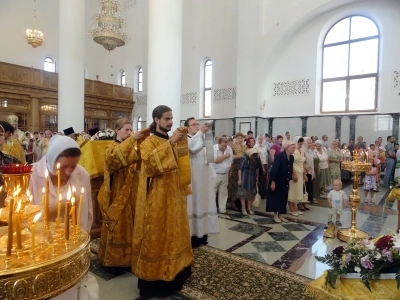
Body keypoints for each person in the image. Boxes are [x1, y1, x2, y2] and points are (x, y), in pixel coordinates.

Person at [131, 105, 193, 299]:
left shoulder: (174, 140)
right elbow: (150, 165)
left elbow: (181, 164)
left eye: (172, 118)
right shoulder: (148, 142)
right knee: (156, 236)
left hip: (174, 195)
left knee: (174, 235)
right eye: (167, 118)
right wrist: (170, 143)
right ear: (157, 120)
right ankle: (153, 284)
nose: (171, 121)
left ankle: (175, 276)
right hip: (157, 198)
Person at [28, 135, 93, 300]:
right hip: (42, 248)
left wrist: (82, 240)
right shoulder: (31, 174)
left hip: (72, 245)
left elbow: (88, 212)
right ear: (50, 159)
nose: (69, 171)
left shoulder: (82, 174)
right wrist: (56, 209)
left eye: (73, 165)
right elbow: (25, 217)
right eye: (63, 166)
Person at [97, 118, 144, 267]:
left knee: (132, 221)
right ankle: (114, 259)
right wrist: (131, 141)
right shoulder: (110, 146)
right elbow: (113, 161)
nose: (130, 133)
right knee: (118, 222)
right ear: (117, 131)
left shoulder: (133, 146)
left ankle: (130, 257)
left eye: (131, 130)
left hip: (132, 188)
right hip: (117, 190)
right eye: (126, 130)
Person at [184, 117, 219, 247]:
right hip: (194, 180)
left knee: (205, 204)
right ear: (187, 127)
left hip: (204, 179)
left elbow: (208, 157)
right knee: (195, 205)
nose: (197, 126)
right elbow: (192, 148)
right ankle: (193, 236)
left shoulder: (200, 138)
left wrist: (211, 174)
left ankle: (203, 233)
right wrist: (201, 133)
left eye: (197, 124)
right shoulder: (186, 139)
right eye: (193, 125)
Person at [266, 140, 295, 223]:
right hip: (277, 180)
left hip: (285, 181)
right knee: (276, 198)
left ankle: (280, 215)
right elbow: (274, 169)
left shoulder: (291, 157)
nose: (293, 149)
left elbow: (290, 168)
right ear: (287, 148)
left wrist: (291, 177)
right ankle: (275, 215)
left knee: (283, 198)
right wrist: (273, 182)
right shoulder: (279, 156)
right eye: (292, 148)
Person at [213, 136, 233, 213]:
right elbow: (215, 160)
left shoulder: (229, 148)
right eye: (223, 146)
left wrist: (230, 171)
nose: (224, 147)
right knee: (213, 192)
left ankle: (222, 209)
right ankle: (212, 209)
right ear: (219, 143)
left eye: (226, 145)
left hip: (225, 174)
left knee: (223, 193)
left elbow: (231, 161)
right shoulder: (214, 148)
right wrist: (225, 156)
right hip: (215, 174)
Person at [237, 148, 260, 215]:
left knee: (251, 194)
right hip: (244, 177)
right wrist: (239, 179)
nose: (254, 156)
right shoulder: (244, 158)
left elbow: (257, 168)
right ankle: (243, 208)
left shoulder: (256, 158)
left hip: (252, 178)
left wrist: (257, 176)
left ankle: (249, 208)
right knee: (243, 194)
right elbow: (240, 169)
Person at [288, 136, 307, 216]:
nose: (301, 145)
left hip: (300, 172)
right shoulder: (293, 150)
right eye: (299, 144)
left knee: (298, 191)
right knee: (292, 190)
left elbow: (303, 163)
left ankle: (295, 207)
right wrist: (294, 174)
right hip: (294, 171)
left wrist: (304, 173)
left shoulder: (302, 150)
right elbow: (291, 163)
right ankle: (291, 208)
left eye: (302, 144)